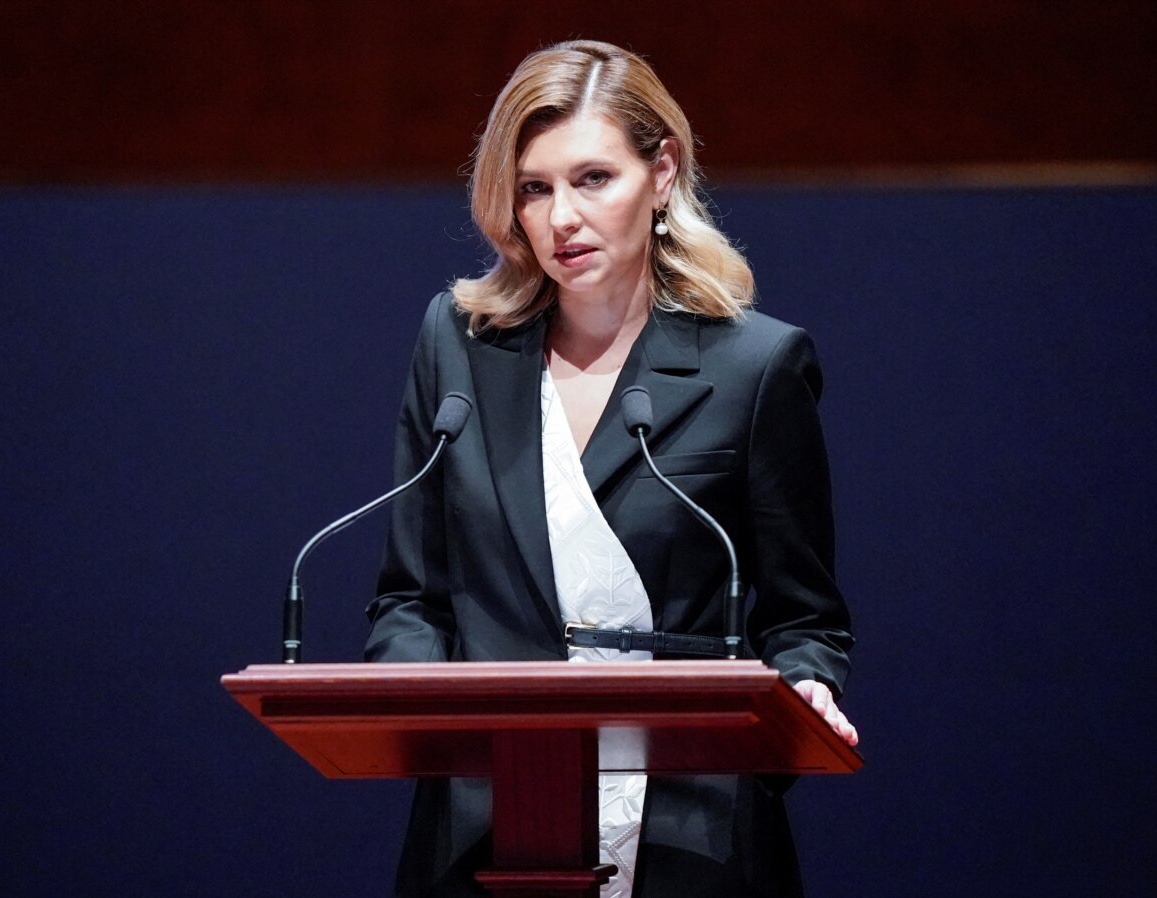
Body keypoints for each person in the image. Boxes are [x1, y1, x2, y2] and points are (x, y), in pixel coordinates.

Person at [364, 39, 856, 898]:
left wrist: (804, 686)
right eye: (534, 188)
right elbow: (411, 596)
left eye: (592, 178)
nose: (561, 217)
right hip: (486, 823)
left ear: (661, 172)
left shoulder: (754, 368)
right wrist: (416, 705)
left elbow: (803, 618)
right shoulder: (457, 345)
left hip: (686, 829)